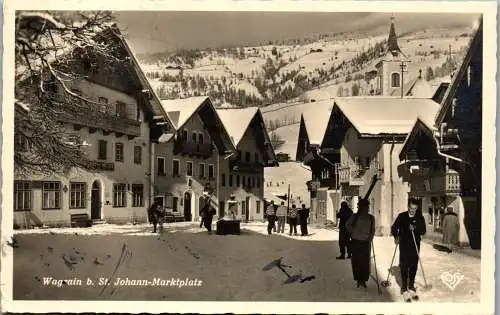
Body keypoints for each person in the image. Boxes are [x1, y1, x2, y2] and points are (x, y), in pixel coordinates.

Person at [391, 197, 426, 300]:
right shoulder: (402, 216)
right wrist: (396, 237)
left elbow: (423, 230)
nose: (412, 210)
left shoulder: (420, 218)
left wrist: (415, 228)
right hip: (404, 245)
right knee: (404, 265)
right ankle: (404, 287)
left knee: (413, 266)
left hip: (415, 245)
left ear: (417, 208)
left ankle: (411, 286)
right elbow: (394, 228)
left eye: (414, 209)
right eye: (411, 208)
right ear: (408, 207)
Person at [346, 198, 375, 288]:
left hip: (365, 243)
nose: (366, 208)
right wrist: (353, 231)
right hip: (355, 242)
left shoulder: (371, 217)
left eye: (367, 207)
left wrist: (370, 239)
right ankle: (359, 280)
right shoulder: (354, 216)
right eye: (364, 207)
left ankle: (364, 280)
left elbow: (373, 230)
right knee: (356, 262)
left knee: (365, 262)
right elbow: (347, 225)